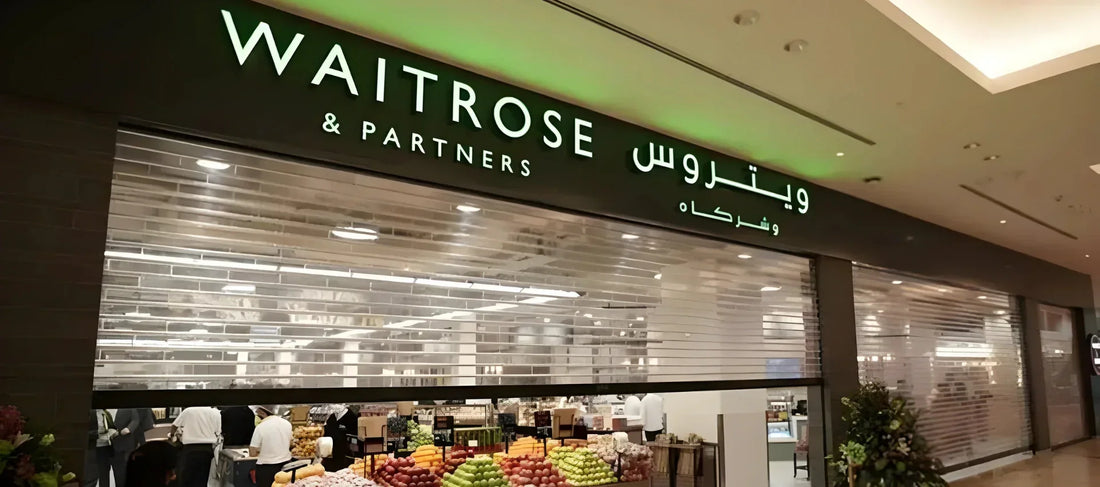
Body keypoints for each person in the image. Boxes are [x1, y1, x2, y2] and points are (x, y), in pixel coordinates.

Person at [171, 406, 222, 487]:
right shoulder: (216, 413)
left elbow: (174, 426)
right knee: (202, 479)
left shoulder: (188, 411)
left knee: (186, 479)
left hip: (190, 450)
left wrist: (172, 436)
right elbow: (218, 432)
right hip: (207, 450)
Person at [251, 405, 293, 487]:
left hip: (266, 469)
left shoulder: (260, 427)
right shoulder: (287, 423)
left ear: (263, 413)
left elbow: (252, 452)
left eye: (257, 414)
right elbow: (290, 443)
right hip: (286, 466)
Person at [109, 408, 143, 487]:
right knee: (116, 470)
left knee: (127, 468)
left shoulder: (127, 407)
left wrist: (129, 428)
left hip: (125, 443)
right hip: (109, 445)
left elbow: (135, 419)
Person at [84, 409, 116, 487]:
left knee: (105, 475)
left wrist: (113, 432)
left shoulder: (106, 413)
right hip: (92, 449)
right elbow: (81, 432)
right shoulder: (88, 413)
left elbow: (112, 427)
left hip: (105, 448)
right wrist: (98, 435)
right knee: (91, 476)